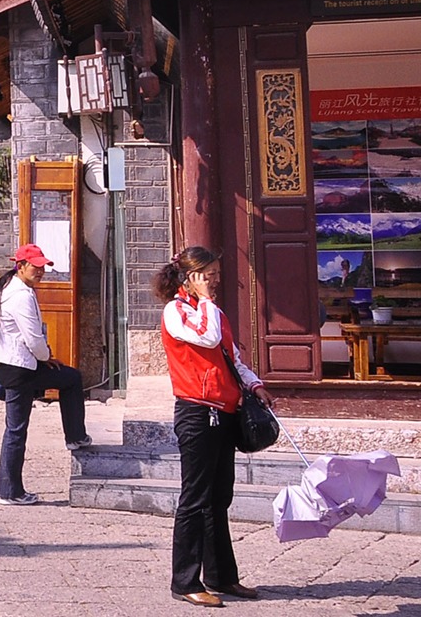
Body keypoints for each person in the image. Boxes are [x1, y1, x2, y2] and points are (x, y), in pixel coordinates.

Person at [157, 245, 271, 608]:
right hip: (196, 412)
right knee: (194, 499)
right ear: (189, 279)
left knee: (219, 498)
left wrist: (254, 384)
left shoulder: (214, 311)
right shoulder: (175, 312)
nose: (214, 281)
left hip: (225, 410)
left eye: (215, 274)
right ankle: (185, 580)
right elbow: (205, 337)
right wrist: (204, 299)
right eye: (207, 275)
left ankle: (223, 576)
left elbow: (231, 356)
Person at [0, 243, 91, 506]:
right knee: (17, 428)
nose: (40, 271)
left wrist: (43, 359)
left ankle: (74, 436)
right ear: (20, 266)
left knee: (65, 379)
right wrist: (45, 358)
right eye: (36, 266)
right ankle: (11, 491)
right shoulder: (20, 295)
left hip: (7, 362)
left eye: (43, 267)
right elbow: (34, 338)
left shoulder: (10, 287)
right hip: (18, 366)